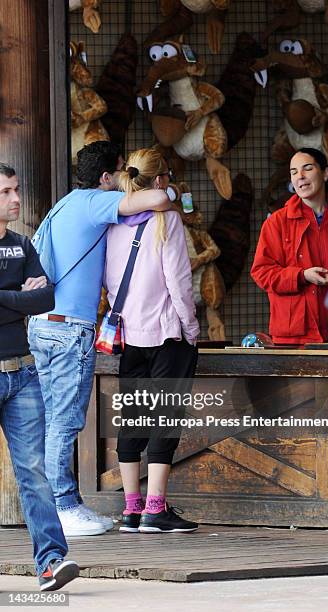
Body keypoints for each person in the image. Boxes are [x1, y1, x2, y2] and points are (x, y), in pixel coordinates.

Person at [28, 141, 170, 537]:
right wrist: (174, 191)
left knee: (49, 420)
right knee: (64, 420)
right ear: (105, 177)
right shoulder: (94, 201)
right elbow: (157, 199)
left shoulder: (64, 204)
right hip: (70, 329)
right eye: (121, 173)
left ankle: (51, 504)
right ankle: (64, 505)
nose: (125, 180)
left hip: (42, 325)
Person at [104, 148, 200, 533]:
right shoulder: (167, 223)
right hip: (166, 332)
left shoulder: (113, 222)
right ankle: (155, 509)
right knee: (165, 417)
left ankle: (131, 509)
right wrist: (191, 329)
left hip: (129, 334)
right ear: (161, 181)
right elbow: (178, 283)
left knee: (133, 417)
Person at [0, 162, 79, 591]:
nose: (16, 199)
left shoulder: (22, 244)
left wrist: (9, 300)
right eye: (6, 192)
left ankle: (50, 562)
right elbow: (28, 299)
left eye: (16, 189)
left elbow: (46, 296)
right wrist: (20, 297)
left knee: (33, 472)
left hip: (24, 373)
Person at [251, 147, 328, 346]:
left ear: (325, 173)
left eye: (307, 168)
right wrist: (301, 276)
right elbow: (261, 273)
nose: (300, 176)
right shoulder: (277, 222)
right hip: (296, 336)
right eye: (293, 172)